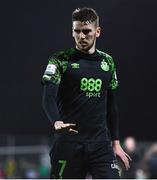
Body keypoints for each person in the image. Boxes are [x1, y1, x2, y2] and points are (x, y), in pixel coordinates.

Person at [42, 7, 131, 179]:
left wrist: (116, 142)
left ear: (97, 32)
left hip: (100, 145)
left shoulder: (108, 62)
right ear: (72, 31)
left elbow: (111, 104)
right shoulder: (60, 60)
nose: (81, 36)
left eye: (86, 31)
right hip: (68, 144)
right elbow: (48, 96)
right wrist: (57, 121)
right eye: (77, 31)